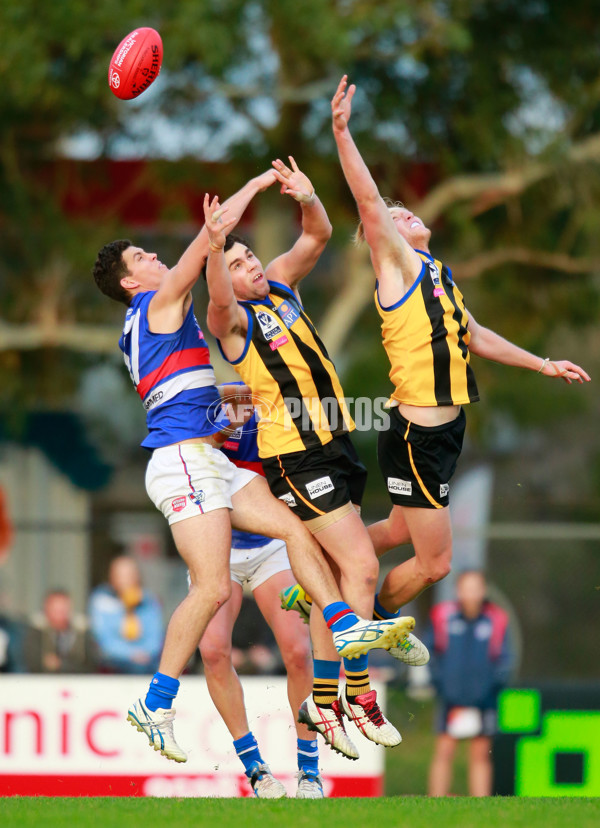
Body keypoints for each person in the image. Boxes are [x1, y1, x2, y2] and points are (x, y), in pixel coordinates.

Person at [92, 170, 410, 778]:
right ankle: (155, 702)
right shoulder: (156, 301)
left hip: (206, 458)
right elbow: (203, 250)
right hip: (183, 460)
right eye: (143, 256)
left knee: (293, 530)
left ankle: (343, 628)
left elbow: (199, 388)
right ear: (132, 281)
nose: (155, 256)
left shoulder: (156, 319)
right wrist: (257, 186)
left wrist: (236, 403)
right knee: (212, 590)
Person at [330, 74, 591, 618]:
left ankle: (315, 576)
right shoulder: (397, 266)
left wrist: (543, 364)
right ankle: (359, 616)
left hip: (442, 432)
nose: (402, 214)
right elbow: (369, 202)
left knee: (400, 529)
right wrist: (342, 133)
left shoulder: (438, 274)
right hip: (417, 435)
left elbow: (475, 335)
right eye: (394, 217)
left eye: (404, 210)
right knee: (436, 564)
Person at [202, 157, 420, 762]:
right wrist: (216, 250)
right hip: (295, 459)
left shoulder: (279, 286)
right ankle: (357, 697)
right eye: (239, 264)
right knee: (361, 568)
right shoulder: (234, 320)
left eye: (249, 260)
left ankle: (325, 696)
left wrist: (308, 197)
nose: (249, 269)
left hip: (336, 446)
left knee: (342, 576)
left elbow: (319, 235)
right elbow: (218, 296)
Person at [197, 409, 324, 798]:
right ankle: (255, 768)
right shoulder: (221, 405)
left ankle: (309, 772)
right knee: (213, 650)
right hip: (216, 549)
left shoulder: (290, 410)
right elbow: (191, 456)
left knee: (299, 651)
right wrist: (223, 429)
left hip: (271, 548)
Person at [425, 570, 514, 796]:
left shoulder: (497, 619)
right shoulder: (443, 616)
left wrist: (487, 690)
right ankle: (436, 801)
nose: (471, 593)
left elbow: (504, 661)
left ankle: (480, 803)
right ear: (458, 590)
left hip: (484, 700)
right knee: (444, 750)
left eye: (476, 587)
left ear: (483, 590)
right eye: (466, 587)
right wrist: (440, 685)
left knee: (480, 753)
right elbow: (429, 654)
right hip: (450, 698)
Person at [88, 556, 163, 674]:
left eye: (129, 575)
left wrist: (143, 654)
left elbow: (155, 640)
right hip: (112, 665)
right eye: (120, 575)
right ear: (111, 577)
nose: (125, 580)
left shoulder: (149, 601)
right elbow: (104, 641)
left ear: (137, 577)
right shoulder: (101, 600)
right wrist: (131, 654)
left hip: (147, 664)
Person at [24, 588, 92, 673]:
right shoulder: (36, 632)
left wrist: (61, 664)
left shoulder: (81, 633)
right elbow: (34, 663)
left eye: (63, 609)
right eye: (56, 609)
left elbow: (91, 664)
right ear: (46, 609)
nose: (60, 614)